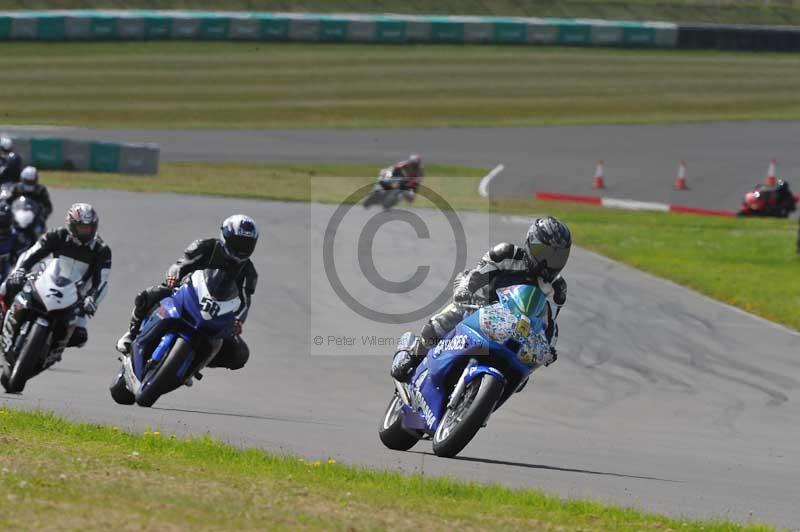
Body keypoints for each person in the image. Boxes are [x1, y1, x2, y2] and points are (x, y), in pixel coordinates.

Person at [391, 216, 571, 383]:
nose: (549, 262)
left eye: (557, 256)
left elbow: (550, 324)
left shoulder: (557, 288)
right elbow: (476, 276)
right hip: (480, 308)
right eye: (544, 252)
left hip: (518, 330)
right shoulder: (506, 254)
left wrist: (549, 347)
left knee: (523, 375)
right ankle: (412, 353)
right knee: (447, 319)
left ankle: (477, 405)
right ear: (530, 244)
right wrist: (465, 291)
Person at [116, 214, 258, 373]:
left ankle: (192, 365)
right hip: (187, 294)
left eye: (247, 244)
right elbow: (180, 265)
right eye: (238, 242)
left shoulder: (249, 272)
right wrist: (173, 277)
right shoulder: (205, 247)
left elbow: (245, 301)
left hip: (215, 313)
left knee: (240, 354)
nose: (241, 248)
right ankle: (131, 334)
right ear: (226, 236)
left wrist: (238, 320)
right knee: (149, 295)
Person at [1, 203, 110, 369]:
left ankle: (50, 352)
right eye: (81, 227)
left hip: (75, 294)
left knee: (79, 335)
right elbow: (32, 253)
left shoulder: (101, 250)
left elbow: (102, 281)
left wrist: (91, 299)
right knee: (8, 286)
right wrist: (20, 270)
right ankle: (4, 317)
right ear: (72, 225)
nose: (85, 231)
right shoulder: (57, 235)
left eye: (89, 227)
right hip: (46, 280)